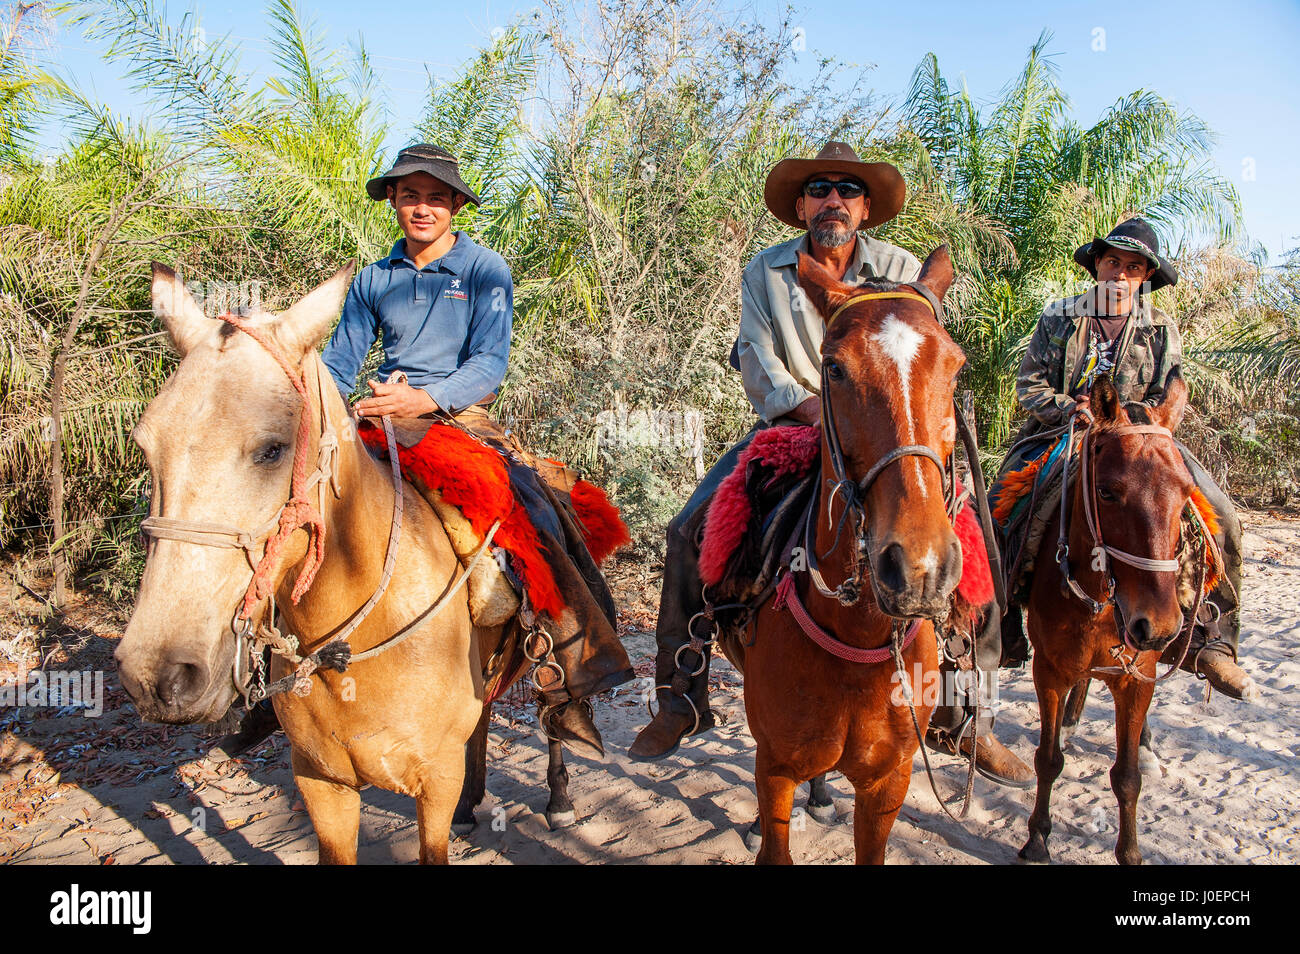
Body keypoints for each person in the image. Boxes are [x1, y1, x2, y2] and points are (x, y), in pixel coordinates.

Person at [630, 141, 1036, 789]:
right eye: (819, 188)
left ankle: (966, 717)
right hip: (793, 426)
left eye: (847, 190)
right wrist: (813, 409)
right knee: (689, 528)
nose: (833, 200)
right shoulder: (765, 273)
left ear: (866, 207)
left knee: (974, 537)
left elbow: (919, 359)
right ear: (800, 205)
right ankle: (682, 692)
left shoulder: (902, 268)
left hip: (890, 438)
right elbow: (757, 360)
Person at [213, 144, 633, 761]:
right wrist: (322, 403)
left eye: (436, 196)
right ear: (393, 201)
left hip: (459, 417)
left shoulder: (485, 270)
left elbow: (489, 365)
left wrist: (426, 401)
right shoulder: (373, 279)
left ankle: (571, 665)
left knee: (529, 506)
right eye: (410, 194)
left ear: (456, 205)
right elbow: (337, 364)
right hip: (377, 415)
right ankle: (262, 683)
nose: (423, 207)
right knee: (291, 506)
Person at [994, 217, 1251, 698]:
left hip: (1142, 441)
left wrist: (1136, 422)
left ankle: (1211, 640)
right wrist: (1069, 406)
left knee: (1224, 517)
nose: (1120, 274)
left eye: (1133, 267)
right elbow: (1029, 385)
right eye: (1113, 261)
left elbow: (1169, 390)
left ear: (1145, 277)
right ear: (1097, 264)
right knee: (998, 509)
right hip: (1064, 432)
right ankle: (1002, 629)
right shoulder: (1060, 316)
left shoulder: (1160, 328)